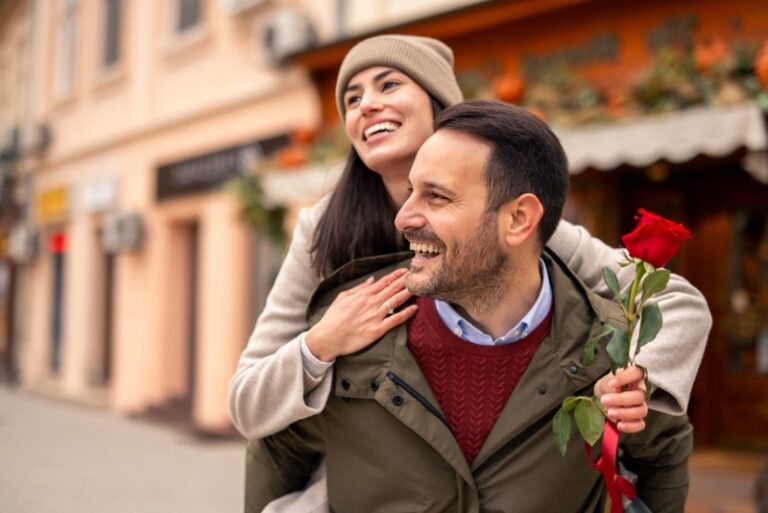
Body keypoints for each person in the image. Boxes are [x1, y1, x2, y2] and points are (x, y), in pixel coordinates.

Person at [228, 35, 711, 512]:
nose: (367, 105)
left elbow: (676, 303)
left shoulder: (521, 223)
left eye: (388, 85)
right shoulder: (322, 228)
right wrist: (322, 344)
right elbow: (255, 412)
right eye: (352, 98)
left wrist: (639, 382)